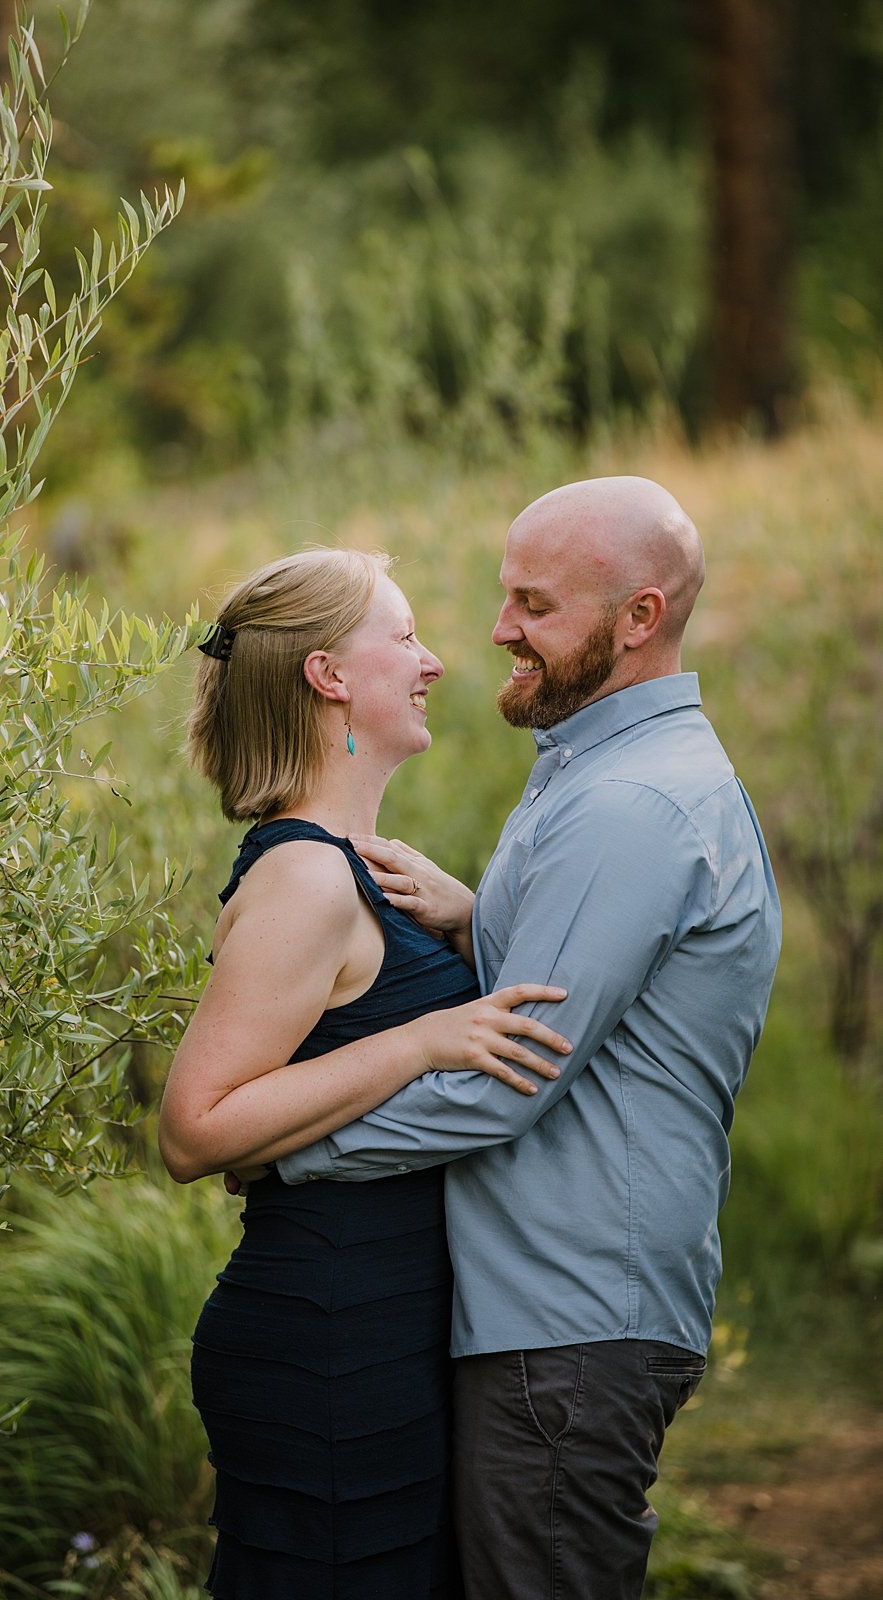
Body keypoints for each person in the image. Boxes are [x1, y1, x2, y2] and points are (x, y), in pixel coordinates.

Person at [277, 478, 783, 1600]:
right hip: (552, 1315)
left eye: (533, 604)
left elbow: (502, 1079)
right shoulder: (602, 776)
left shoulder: (630, 807)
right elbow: (589, 1002)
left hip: (566, 1326)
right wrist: (481, 919)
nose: (498, 628)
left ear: (638, 618)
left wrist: (276, 1145)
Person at [158, 547, 573, 1600]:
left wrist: (471, 918)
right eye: (403, 635)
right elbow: (194, 1128)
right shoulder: (303, 877)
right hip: (329, 1342)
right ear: (328, 676)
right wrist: (415, 1044)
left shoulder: (356, 868)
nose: (432, 660)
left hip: (387, 1331)